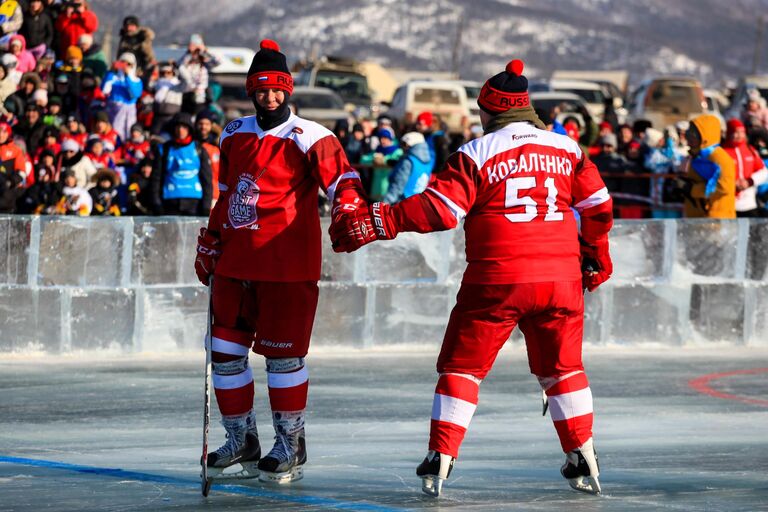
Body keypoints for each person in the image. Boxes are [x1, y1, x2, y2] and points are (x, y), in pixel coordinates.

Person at [330, 58, 612, 497]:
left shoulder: (476, 153)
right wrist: (595, 255)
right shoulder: (569, 148)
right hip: (561, 278)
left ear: (489, 111)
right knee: (564, 368)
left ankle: (441, 457)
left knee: (462, 367)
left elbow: (441, 210)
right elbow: (598, 206)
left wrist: (381, 219)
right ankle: (583, 454)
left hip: (498, 278)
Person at [193, 39, 362, 485]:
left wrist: (347, 209)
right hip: (235, 263)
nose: (270, 97)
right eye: (262, 90)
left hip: (287, 267)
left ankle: (289, 442)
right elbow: (226, 195)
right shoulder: (233, 133)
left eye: (278, 90)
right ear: (251, 91)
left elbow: (344, 180)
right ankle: (241, 438)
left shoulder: (311, 136)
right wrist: (211, 240)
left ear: (289, 91)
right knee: (225, 356)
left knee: (282, 361)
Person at [150, 112, 211, 216]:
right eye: (177, 127)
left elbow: (206, 180)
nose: (180, 130)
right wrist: (156, 202)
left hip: (194, 201)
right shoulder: (164, 149)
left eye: (184, 127)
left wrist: (206, 205)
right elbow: (156, 177)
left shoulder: (199, 149)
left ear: (189, 129)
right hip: (170, 200)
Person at [676, 114, 736, 219]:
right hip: (698, 217)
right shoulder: (697, 156)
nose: (688, 136)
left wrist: (691, 189)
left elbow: (723, 187)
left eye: (693, 133)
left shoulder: (719, 159)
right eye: (689, 131)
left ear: (705, 136)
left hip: (716, 219)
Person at [722, 119, 767, 217]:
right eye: (736, 132)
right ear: (729, 133)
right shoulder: (722, 152)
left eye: (742, 132)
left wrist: (749, 181)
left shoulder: (750, 150)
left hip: (749, 203)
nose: (740, 136)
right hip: (729, 203)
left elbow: (764, 172)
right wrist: (731, 183)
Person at [382, 131, 433, 204]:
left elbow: (398, 186)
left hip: (401, 204)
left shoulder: (408, 162)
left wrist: (384, 203)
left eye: (404, 144)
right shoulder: (428, 162)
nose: (402, 148)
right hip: (417, 204)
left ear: (411, 144)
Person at [102, 53, 143, 142]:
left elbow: (135, 94)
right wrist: (111, 71)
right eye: (123, 63)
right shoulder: (114, 77)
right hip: (112, 111)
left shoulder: (136, 80)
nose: (125, 66)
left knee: (127, 134)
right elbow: (104, 90)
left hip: (127, 113)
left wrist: (128, 76)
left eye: (128, 64)